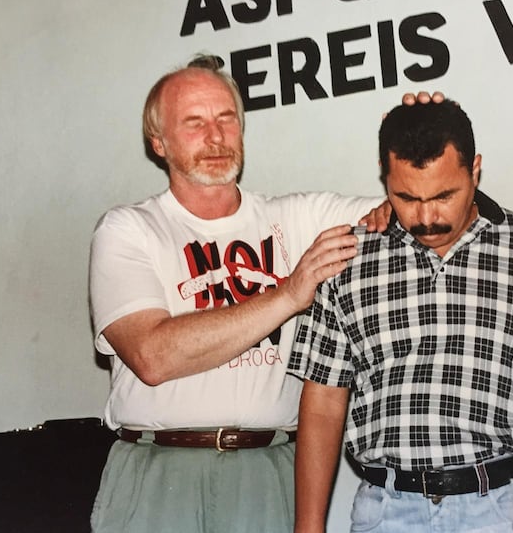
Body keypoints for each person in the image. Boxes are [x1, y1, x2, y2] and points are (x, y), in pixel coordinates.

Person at [88, 54, 394, 533]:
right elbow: (152, 355)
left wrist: (424, 143)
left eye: (226, 118)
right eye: (194, 123)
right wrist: (289, 294)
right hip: (158, 470)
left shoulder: (300, 217)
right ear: (158, 142)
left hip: (267, 469)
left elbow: (418, 211)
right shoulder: (129, 229)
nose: (215, 137)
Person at [289, 98, 513, 532]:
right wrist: (308, 527)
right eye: (407, 197)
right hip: (389, 511)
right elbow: (322, 401)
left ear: (475, 171)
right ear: (384, 175)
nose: (427, 217)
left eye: (444, 195)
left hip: (503, 508)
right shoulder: (348, 258)